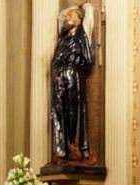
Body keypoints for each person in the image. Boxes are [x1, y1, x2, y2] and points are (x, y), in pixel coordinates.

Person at [51, 2, 95, 163]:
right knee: (58, 111)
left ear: (78, 21)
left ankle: (76, 146)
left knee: (74, 111)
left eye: (71, 16)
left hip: (74, 72)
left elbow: (89, 15)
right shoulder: (62, 36)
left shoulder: (83, 33)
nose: (66, 18)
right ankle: (60, 150)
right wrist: (69, 11)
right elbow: (60, 17)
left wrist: (84, 6)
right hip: (59, 74)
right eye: (67, 16)